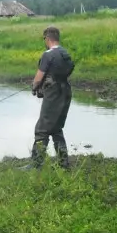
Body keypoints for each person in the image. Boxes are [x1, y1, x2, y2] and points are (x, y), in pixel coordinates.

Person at [22, 26, 74, 170]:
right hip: (66, 91)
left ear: (47, 38)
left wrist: (34, 87)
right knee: (57, 128)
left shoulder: (48, 54)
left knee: (42, 129)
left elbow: (38, 78)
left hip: (53, 94)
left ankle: (36, 164)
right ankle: (63, 164)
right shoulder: (65, 53)